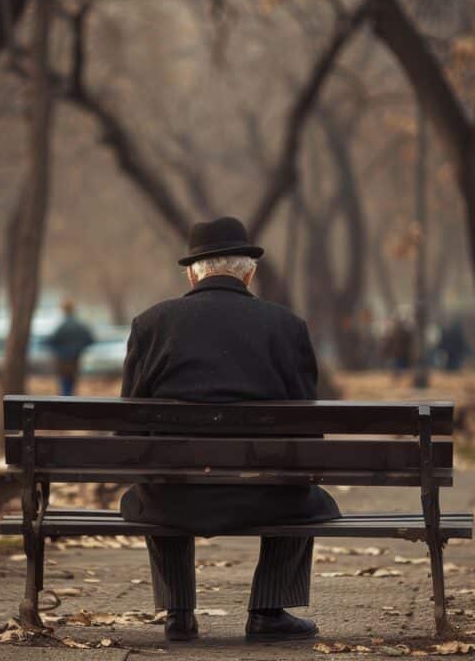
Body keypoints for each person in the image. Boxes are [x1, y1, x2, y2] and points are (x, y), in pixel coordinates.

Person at [119, 216, 340, 643]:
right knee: (307, 494)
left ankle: (179, 614)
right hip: (267, 498)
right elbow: (308, 433)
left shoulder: (150, 325)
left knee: (153, 479)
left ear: (191, 272)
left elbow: (130, 427)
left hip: (172, 498)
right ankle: (268, 612)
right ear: (250, 272)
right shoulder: (286, 327)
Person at [47, 301, 93, 396]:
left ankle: (65, 401)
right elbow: (90, 339)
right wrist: (79, 348)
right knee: (73, 382)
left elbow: (52, 341)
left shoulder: (62, 326)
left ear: (64, 310)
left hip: (62, 360)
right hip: (75, 358)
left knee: (64, 383)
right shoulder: (80, 325)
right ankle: (70, 400)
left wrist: (60, 350)